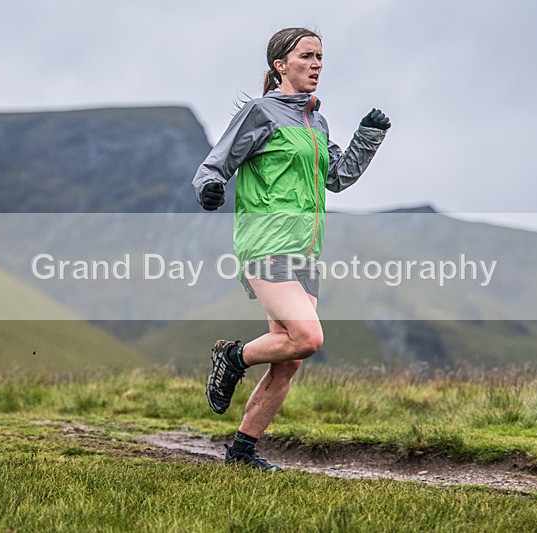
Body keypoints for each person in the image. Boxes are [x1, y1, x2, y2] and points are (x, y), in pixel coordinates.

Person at [192, 27, 391, 471]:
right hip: (266, 242)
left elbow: (337, 178)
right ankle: (233, 357)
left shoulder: (316, 122)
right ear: (281, 65)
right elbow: (216, 163)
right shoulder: (261, 113)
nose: (317, 64)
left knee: (290, 358)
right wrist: (209, 187)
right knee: (308, 338)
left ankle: (241, 451)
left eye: (320, 57)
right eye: (307, 56)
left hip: (307, 250)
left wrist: (368, 135)